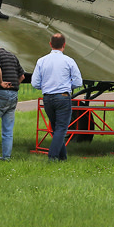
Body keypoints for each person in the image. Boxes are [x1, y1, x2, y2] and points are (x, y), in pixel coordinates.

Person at [30, 33, 83, 162]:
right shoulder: (69, 61)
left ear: (50, 44)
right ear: (64, 45)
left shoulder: (41, 61)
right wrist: (68, 86)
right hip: (63, 97)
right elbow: (78, 81)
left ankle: (62, 158)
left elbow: (35, 83)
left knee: (55, 128)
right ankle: (52, 157)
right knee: (61, 129)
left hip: (47, 98)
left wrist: (47, 86)